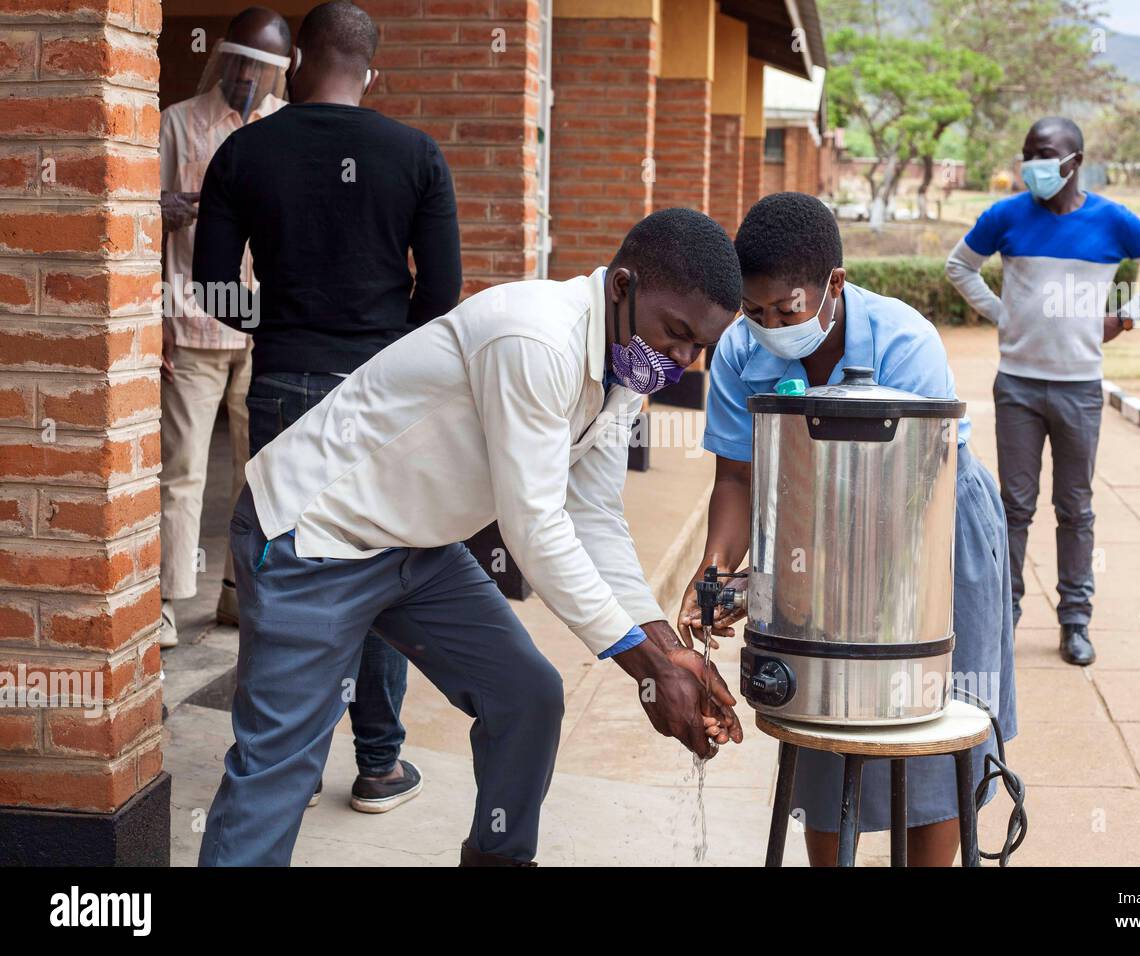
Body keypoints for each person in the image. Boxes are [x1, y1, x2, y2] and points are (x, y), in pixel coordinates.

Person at [193, 203, 747, 867]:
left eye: (699, 348)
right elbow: (534, 525)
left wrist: (665, 644)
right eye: (677, 334)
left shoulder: (624, 364)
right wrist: (646, 664)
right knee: (280, 765)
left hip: (415, 549)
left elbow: (593, 512)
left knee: (527, 697)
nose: (683, 361)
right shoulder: (537, 338)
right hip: (313, 537)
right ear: (623, 286)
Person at [677, 192, 1016, 867]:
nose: (771, 325)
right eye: (755, 310)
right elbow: (738, 480)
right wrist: (717, 571)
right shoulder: (740, 353)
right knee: (822, 722)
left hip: (933, 523)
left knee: (930, 722)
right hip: (808, 530)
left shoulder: (904, 341)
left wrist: (774, 579)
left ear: (835, 283)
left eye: (788, 309)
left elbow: (902, 509)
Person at [191, 1, 465, 814]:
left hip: (281, 388)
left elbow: (211, 288)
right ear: (370, 72)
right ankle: (378, 765)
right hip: (380, 398)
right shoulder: (416, 154)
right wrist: (385, 349)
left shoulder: (244, 151)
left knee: (283, 575)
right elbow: (443, 296)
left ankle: (291, 768)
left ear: (299, 61)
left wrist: (279, 321)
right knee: (377, 566)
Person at [945, 117, 1140, 665]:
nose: (1034, 163)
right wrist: (1000, 312)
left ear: (1074, 160)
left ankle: (1075, 621)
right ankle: (1003, 616)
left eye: (1046, 154)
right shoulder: (1007, 215)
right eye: (1028, 152)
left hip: (1080, 388)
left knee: (1075, 508)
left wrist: (1126, 317)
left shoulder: (1112, 220)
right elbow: (959, 265)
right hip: (1018, 386)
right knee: (1015, 506)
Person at [157, 7, 290, 648]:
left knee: (256, 473)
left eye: (268, 71)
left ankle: (240, 596)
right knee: (182, 470)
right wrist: (164, 213)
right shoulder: (178, 124)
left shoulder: (282, 129)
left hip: (265, 332)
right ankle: (164, 602)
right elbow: (136, 222)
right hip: (191, 319)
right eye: (244, 63)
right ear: (227, 56)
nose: (252, 79)